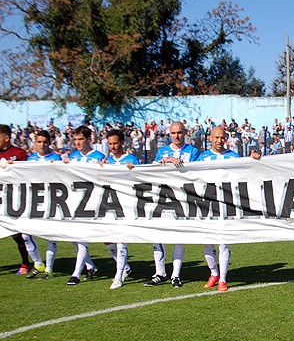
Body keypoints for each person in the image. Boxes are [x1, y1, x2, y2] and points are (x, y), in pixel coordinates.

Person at [196, 126, 261, 292]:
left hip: (226, 204)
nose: (219, 141)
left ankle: (223, 279)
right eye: (216, 138)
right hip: (206, 204)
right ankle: (214, 273)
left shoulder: (234, 157)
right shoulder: (202, 158)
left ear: (226, 138)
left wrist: (253, 159)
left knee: (223, 241)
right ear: (210, 138)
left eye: (222, 138)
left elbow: (246, 173)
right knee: (206, 241)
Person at [146, 121, 199, 288]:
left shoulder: (193, 151)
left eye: (180, 133)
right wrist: (161, 163)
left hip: (183, 197)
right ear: (169, 134)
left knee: (178, 236)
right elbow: (152, 169)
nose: (177, 136)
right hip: (163, 197)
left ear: (185, 133)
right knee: (157, 236)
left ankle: (176, 275)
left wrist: (180, 164)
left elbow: (196, 171)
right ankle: (159, 273)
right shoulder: (162, 151)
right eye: (174, 133)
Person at [0, 124, 31, 278]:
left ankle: (26, 263)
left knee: (17, 234)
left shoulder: (19, 153)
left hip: (13, 201)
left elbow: (29, 173)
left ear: (6, 138)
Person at [64, 125, 105, 285]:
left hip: (93, 200)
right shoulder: (73, 157)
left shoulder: (98, 156)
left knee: (88, 237)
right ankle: (90, 266)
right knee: (75, 238)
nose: (78, 142)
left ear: (89, 139)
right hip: (75, 202)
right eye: (75, 139)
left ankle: (76, 273)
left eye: (81, 139)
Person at [24, 130, 62, 280]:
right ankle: (38, 263)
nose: (42, 145)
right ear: (35, 142)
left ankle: (49, 269)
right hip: (33, 201)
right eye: (39, 142)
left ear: (49, 143)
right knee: (25, 234)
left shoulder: (55, 158)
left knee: (50, 235)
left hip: (51, 201)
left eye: (45, 142)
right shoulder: (30, 159)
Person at [103, 129, 138, 289]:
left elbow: (141, 178)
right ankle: (126, 268)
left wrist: (134, 169)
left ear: (122, 142)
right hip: (109, 204)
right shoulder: (107, 161)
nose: (113, 146)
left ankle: (118, 277)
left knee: (120, 239)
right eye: (110, 144)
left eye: (115, 143)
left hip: (125, 204)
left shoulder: (131, 159)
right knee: (107, 240)